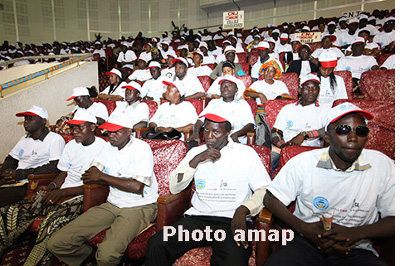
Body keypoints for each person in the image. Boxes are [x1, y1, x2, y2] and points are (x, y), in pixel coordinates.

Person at [263, 102, 394, 266]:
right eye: (343, 130)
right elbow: (271, 199)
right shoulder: (303, 163)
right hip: (306, 242)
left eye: (361, 131)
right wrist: (304, 228)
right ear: (327, 136)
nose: (353, 137)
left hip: (356, 248)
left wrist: (355, 233)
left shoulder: (382, 165)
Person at [146, 109, 271, 266]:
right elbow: (175, 187)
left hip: (232, 221)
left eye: (216, 132)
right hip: (199, 219)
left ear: (228, 132)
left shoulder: (246, 153)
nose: (210, 136)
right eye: (206, 130)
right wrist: (195, 161)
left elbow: (264, 189)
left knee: (232, 260)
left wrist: (244, 209)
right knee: (157, 243)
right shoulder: (196, 152)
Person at [47, 112, 159, 266]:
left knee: (106, 256)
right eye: (109, 131)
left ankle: (103, 260)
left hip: (139, 205)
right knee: (57, 243)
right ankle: (91, 258)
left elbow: (137, 187)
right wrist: (100, 175)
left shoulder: (142, 148)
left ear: (129, 131)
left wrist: (102, 176)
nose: (111, 135)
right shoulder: (108, 147)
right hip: (112, 203)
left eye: (116, 131)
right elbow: (90, 174)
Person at [0, 109, 107, 265]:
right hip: (61, 192)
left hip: (83, 197)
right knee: (9, 211)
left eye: (80, 128)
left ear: (92, 128)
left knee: (49, 225)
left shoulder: (103, 148)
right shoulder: (71, 146)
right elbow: (62, 175)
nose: (75, 132)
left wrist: (61, 192)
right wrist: (50, 187)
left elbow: (96, 184)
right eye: (73, 128)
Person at [0, 105, 65, 207]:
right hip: (15, 181)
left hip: (30, 183)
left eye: (30, 118)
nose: (26, 121)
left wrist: (20, 174)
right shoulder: (24, 139)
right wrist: (6, 174)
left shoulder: (55, 139)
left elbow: (54, 167)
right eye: (25, 118)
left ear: (43, 121)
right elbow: (11, 160)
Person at [271, 74, 329, 171]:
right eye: (307, 88)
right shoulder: (288, 109)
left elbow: (328, 130)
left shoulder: (324, 109)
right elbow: (276, 132)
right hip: (286, 148)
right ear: (300, 90)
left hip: (311, 151)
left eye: (314, 88)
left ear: (319, 90)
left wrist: (305, 135)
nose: (311, 91)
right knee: (268, 160)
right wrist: (283, 146)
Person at [188, 75, 255, 147]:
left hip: (234, 142)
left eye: (229, 85)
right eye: (223, 86)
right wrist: (195, 134)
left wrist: (235, 135)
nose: (225, 88)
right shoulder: (213, 103)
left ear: (236, 89)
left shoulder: (243, 104)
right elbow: (199, 121)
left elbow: (250, 125)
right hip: (213, 142)